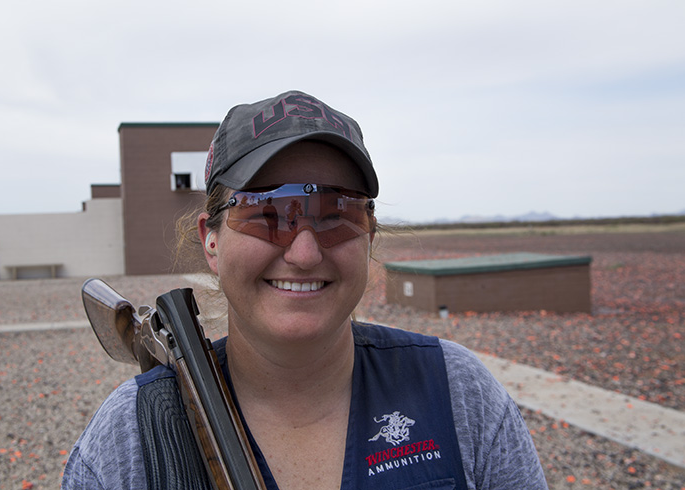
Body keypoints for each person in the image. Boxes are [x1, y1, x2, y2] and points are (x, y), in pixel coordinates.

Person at [62, 91, 547, 489]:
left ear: (370, 236)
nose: (306, 252)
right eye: (267, 214)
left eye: (338, 213)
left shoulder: (459, 393)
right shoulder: (129, 436)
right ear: (212, 241)